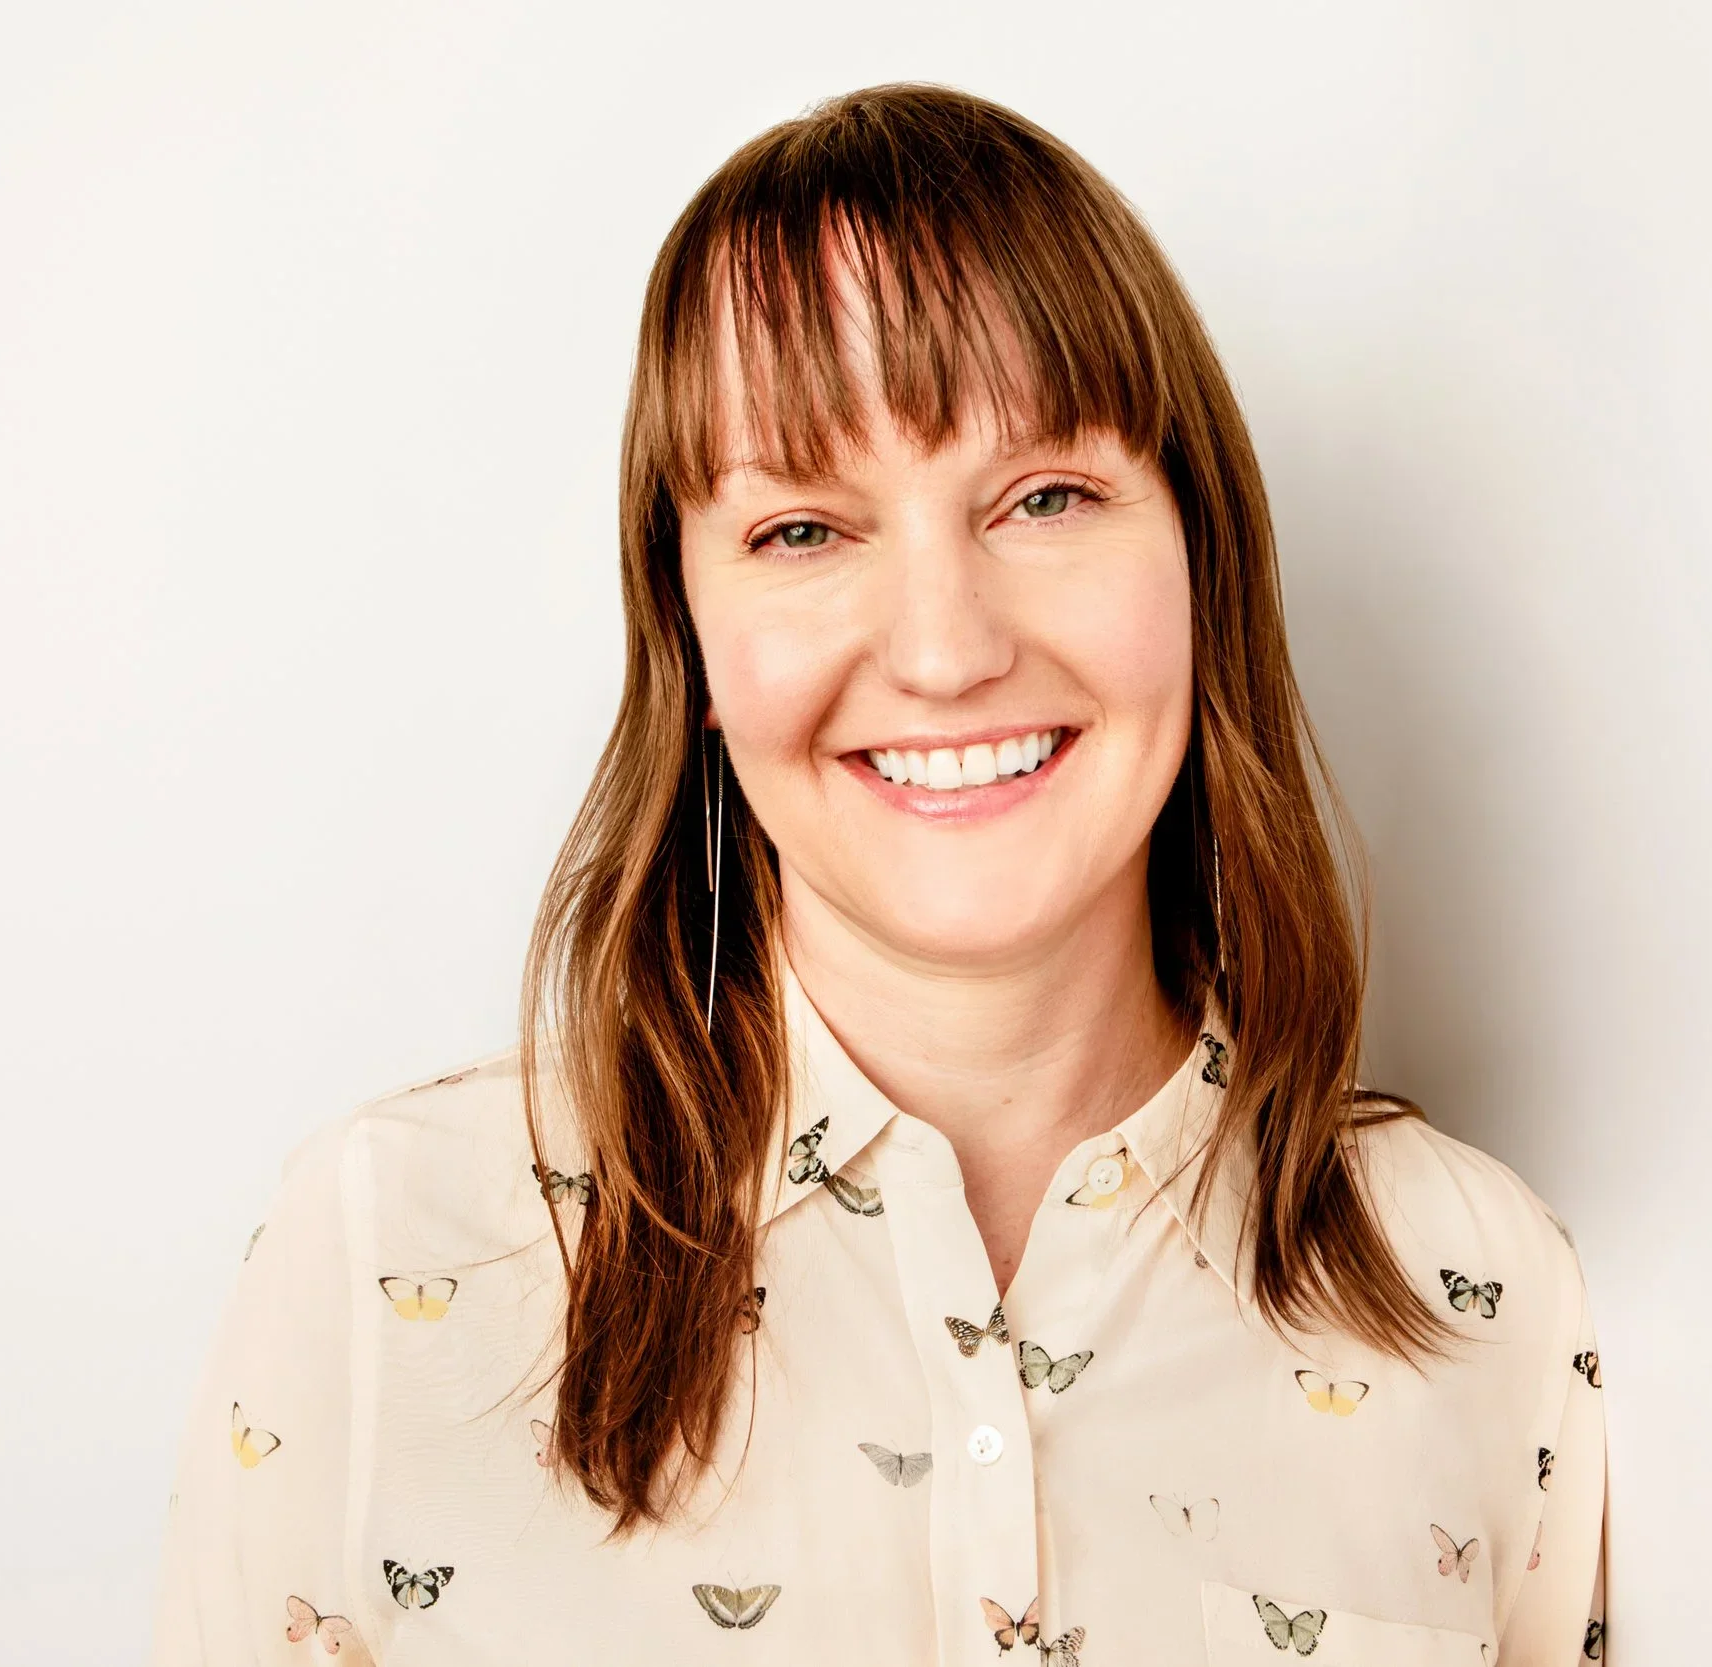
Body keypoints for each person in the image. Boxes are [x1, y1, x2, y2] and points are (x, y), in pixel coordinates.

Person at [148, 82, 1608, 1667]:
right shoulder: (386, 1249)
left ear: (1203, 556)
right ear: (689, 637)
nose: (944, 650)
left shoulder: (1481, 1294)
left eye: (1045, 498)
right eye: (802, 531)